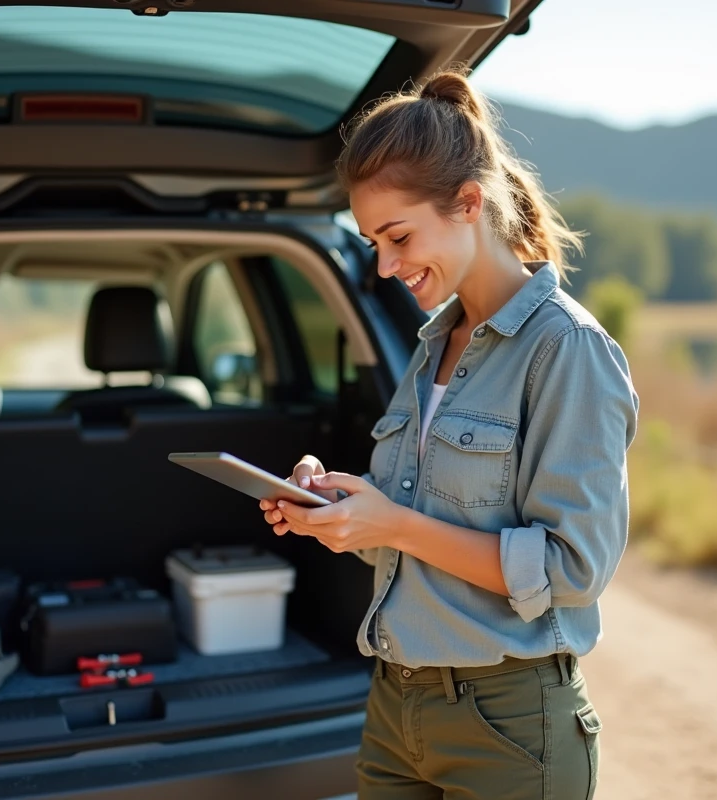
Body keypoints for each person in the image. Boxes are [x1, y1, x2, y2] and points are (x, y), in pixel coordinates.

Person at [259, 68, 639, 799]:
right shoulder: (435, 343)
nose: (386, 265)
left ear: (469, 203)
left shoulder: (567, 350)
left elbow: (570, 569)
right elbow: (418, 528)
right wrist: (338, 510)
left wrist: (393, 522)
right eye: (373, 242)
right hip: (397, 711)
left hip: (510, 726)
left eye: (398, 236)